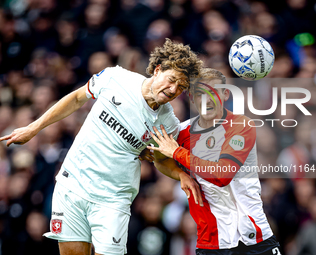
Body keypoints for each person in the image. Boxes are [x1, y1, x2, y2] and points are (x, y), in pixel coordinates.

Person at [0, 39, 203, 255]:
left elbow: (161, 160)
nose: (173, 89)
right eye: (171, 80)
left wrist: (180, 175)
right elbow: (77, 98)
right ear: (157, 69)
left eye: (180, 87)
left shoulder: (168, 123)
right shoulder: (116, 78)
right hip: (73, 184)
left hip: (114, 199)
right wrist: (33, 128)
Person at [147, 68, 282, 255]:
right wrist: (181, 175)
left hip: (254, 237)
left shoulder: (241, 125)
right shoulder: (181, 132)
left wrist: (177, 152)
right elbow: (159, 159)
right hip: (211, 241)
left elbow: (222, 175)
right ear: (192, 99)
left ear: (226, 94)